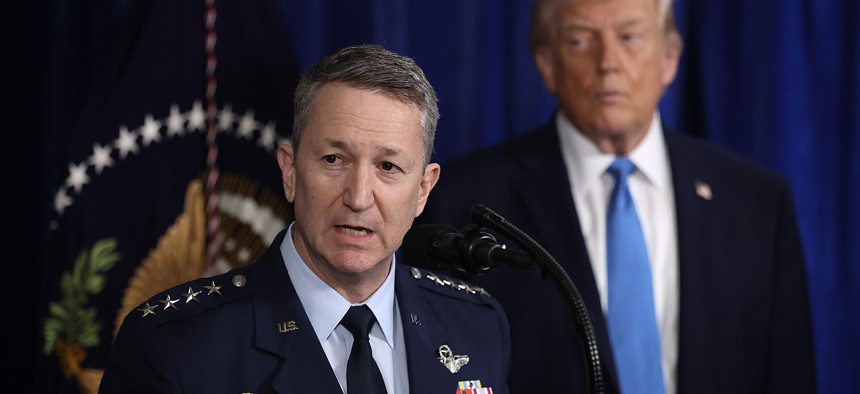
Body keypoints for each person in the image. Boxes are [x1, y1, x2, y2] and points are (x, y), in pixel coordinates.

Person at [416, 0, 816, 393]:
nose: (608, 61)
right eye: (579, 40)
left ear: (670, 59)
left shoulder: (756, 202)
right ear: (547, 64)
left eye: (630, 36)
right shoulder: (463, 201)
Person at [99, 44, 511, 394]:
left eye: (388, 166)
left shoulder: (476, 325)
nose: (358, 197)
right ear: (290, 172)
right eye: (334, 159)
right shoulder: (175, 347)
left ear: (422, 190)